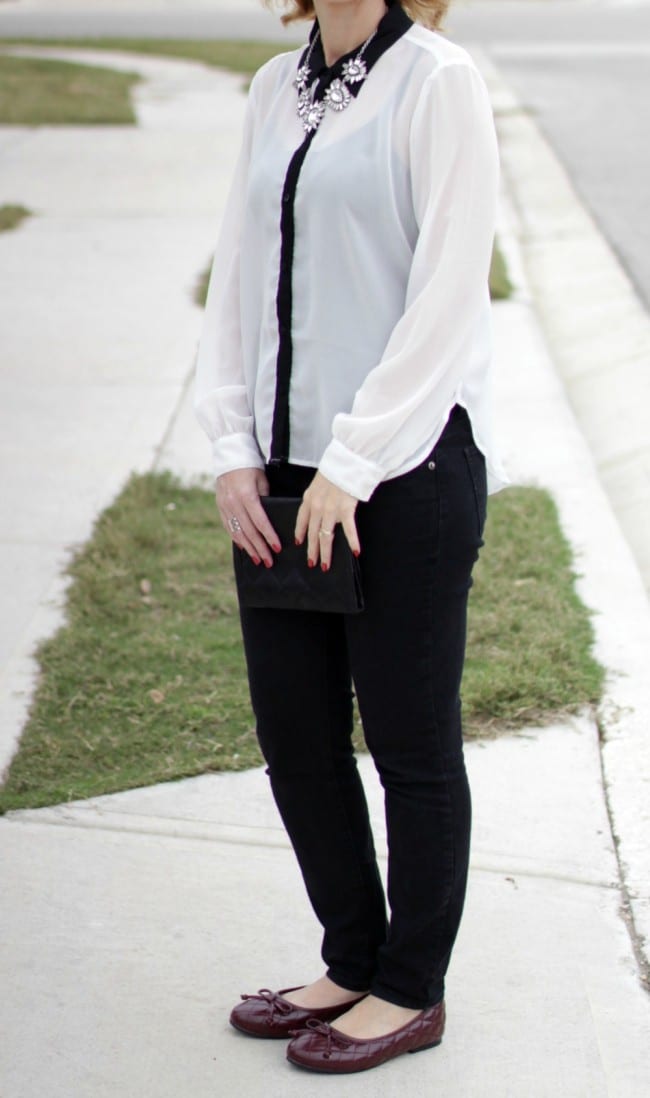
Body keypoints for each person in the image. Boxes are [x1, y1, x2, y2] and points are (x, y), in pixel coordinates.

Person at [194, 0, 507, 1075]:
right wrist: (232, 444)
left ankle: (409, 988)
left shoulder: (436, 81)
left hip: (402, 472)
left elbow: (446, 295)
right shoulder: (272, 88)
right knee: (295, 739)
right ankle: (350, 957)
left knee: (409, 748)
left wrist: (354, 461)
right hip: (278, 483)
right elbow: (237, 277)